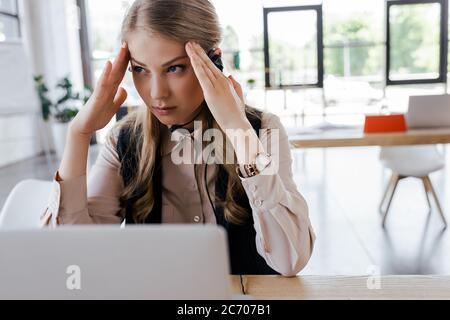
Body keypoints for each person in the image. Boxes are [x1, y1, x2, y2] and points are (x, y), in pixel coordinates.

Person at [41, 0, 315, 276]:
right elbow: (74, 258)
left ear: (213, 62)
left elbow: (290, 261)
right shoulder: (124, 141)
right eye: (140, 69)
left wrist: (238, 129)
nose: (157, 93)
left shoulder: (262, 130)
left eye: (174, 68)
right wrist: (78, 134)